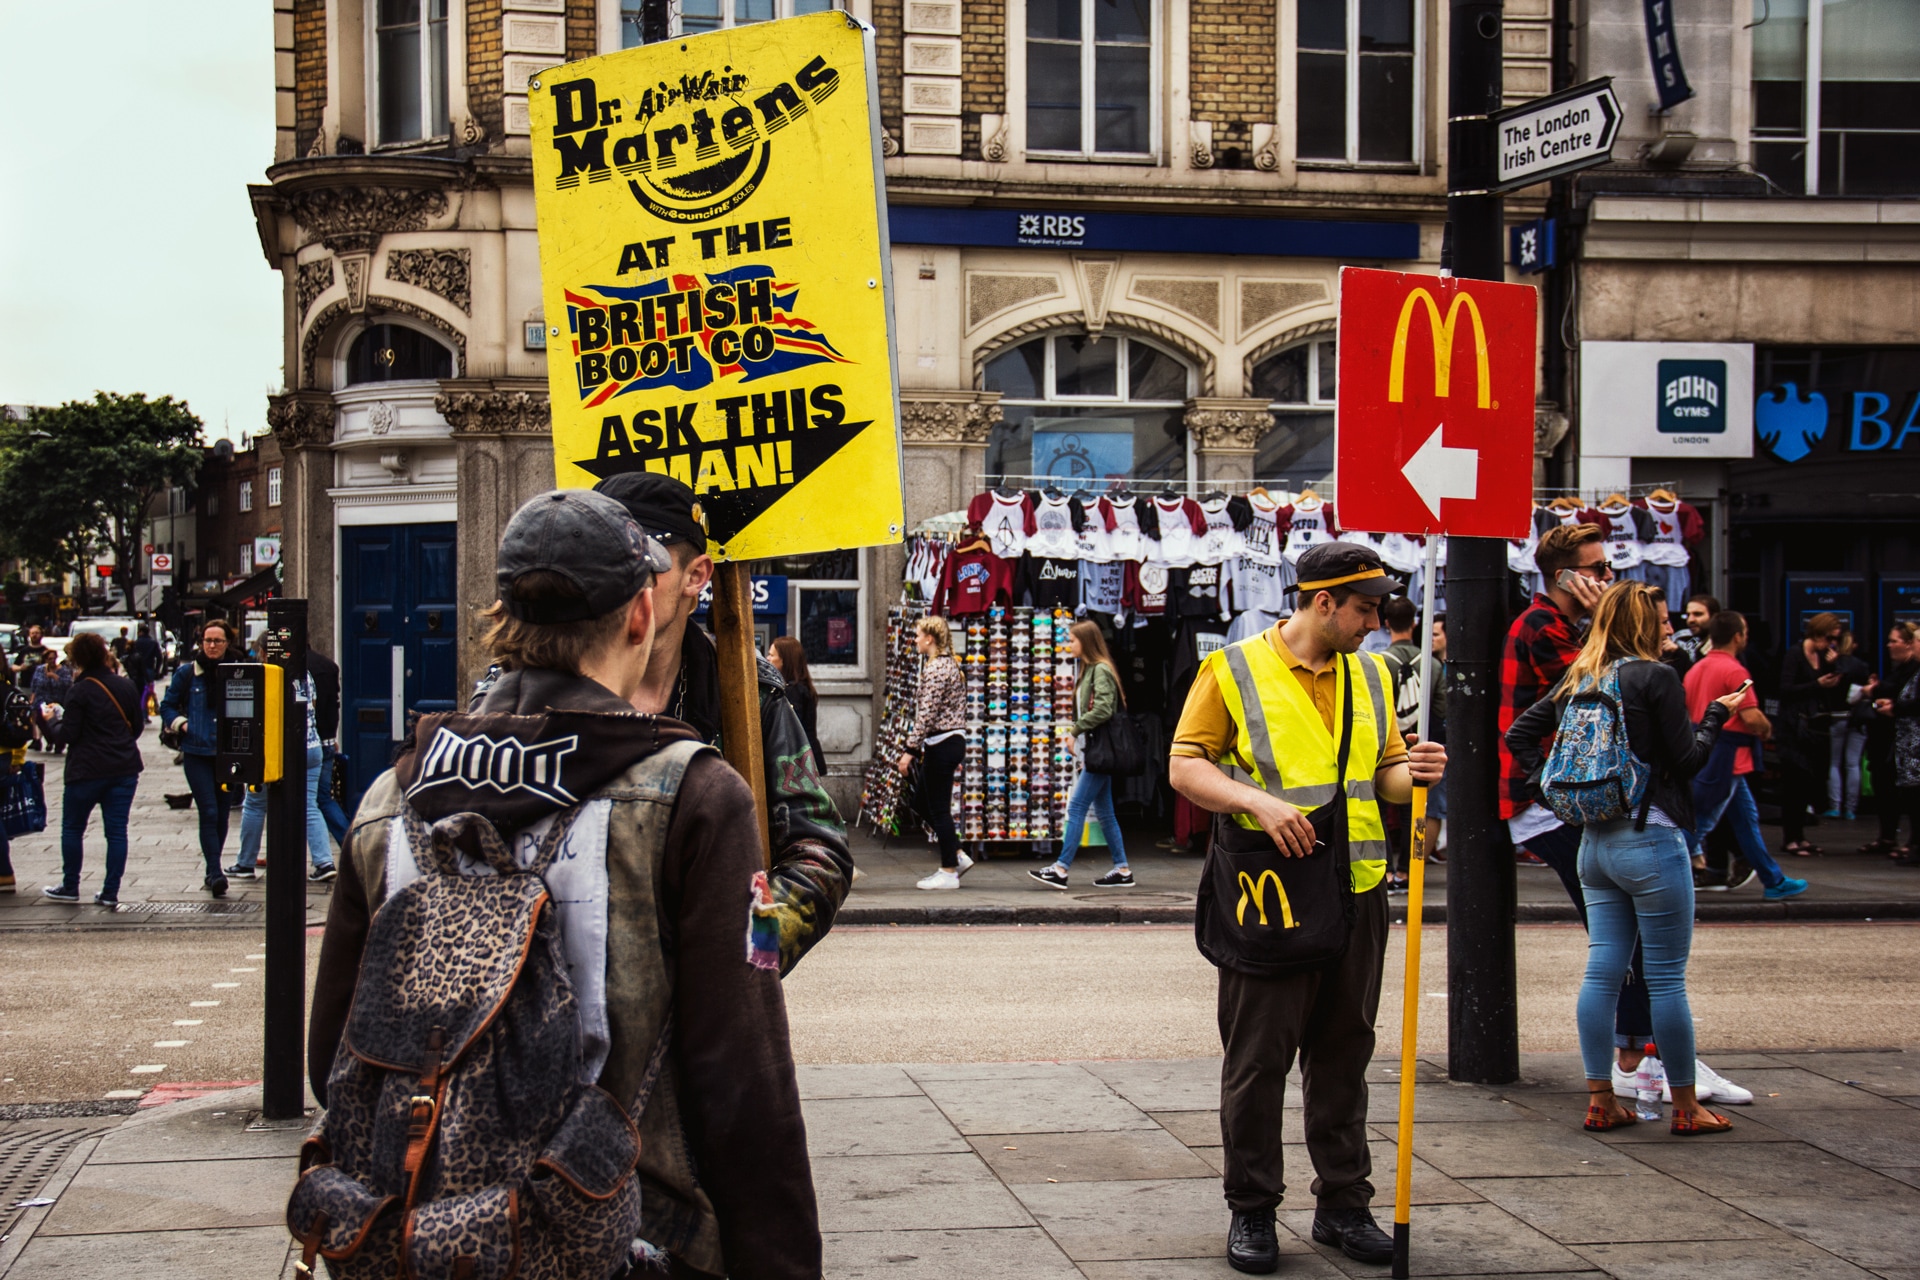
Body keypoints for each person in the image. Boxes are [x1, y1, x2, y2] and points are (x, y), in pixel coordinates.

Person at [309, 489, 822, 1278]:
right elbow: (743, 1090)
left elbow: (334, 1057)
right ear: (640, 614)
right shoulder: (693, 796)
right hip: (631, 1235)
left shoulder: (388, 799)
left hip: (428, 1239)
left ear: (502, 616)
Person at [1168, 542, 1446, 1273]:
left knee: (1345, 1055)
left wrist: (1413, 773)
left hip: (1358, 890)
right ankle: (1253, 1209)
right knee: (1258, 1061)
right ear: (1323, 602)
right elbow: (1185, 765)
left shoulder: (1373, 673)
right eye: (1365, 610)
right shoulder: (1231, 669)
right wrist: (1257, 802)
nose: (1376, 623)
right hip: (1271, 893)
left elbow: (1384, 774)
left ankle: (1344, 1205)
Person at [1506, 582, 1744, 1136]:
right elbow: (1688, 760)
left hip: (1594, 843)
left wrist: (1547, 789)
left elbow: (1520, 733)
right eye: (1661, 621)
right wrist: (1716, 715)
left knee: (1603, 971)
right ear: (1642, 625)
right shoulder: (1655, 676)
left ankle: (1601, 1100)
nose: (1669, 629)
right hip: (1650, 839)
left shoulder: (1581, 675)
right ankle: (1687, 1107)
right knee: (1666, 980)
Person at [591, 473, 850, 971]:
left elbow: (820, 855)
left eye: (641, 563)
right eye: (599, 561)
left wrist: (743, 956)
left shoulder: (752, 695)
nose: (615, 581)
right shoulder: (531, 686)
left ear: (696, 577)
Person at [1680, 611, 1805, 904]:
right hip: (1729, 756)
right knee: (1703, 821)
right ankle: (1654, 874)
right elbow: (1750, 716)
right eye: (1745, 631)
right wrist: (1766, 729)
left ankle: (1774, 879)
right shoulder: (1735, 672)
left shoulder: (1696, 669)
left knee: (1745, 819)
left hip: (1704, 749)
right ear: (1737, 636)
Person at [38, 633, 144, 908]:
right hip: (123, 768)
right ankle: (110, 891)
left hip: (85, 770)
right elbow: (137, 727)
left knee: (73, 828)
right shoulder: (125, 686)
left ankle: (70, 886)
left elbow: (68, 735)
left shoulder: (80, 690)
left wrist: (51, 720)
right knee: (117, 832)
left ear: (77, 659)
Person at [1030, 619, 1132, 889]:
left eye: (1072, 640)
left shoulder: (1100, 669)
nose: (1068, 645)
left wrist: (1075, 732)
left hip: (1100, 752)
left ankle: (1061, 869)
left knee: (1076, 807)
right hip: (1095, 751)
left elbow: (1104, 709)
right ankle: (1122, 869)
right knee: (1105, 812)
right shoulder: (1089, 670)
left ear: (1085, 642)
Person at [224, 665, 337, 884]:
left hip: (274, 750)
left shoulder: (265, 673)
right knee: (308, 805)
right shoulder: (304, 674)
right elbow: (311, 706)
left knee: (255, 804)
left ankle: (246, 863)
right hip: (310, 747)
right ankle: (324, 862)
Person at [159, 620, 239, 898]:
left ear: (227, 643)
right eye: (208, 640)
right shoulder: (187, 673)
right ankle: (215, 871)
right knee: (209, 810)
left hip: (228, 753)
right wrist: (182, 724)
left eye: (218, 641)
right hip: (197, 752)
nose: (212, 646)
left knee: (222, 812)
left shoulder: (238, 671)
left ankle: (212, 867)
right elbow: (167, 705)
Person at [897, 615, 970, 890]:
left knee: (939, 809)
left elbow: (926, 715)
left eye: (918, 635)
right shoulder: (947, 664)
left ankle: (949, 871)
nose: (915, 640)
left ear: (930, 639)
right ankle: (957, 853)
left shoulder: (937, 668)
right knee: (921, 802)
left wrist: (909, 750)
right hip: (945, 742)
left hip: (942, 743)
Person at [1379, 594, 1424, 892]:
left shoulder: (1379, 663)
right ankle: (1407, 871)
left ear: (1386, 624)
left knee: (1380, 808)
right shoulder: (1430, 663)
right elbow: (1442, 706)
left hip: (1385, 744)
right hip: (1420, 744)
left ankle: (1385, 870)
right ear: (1414, 623)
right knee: (1413, 808)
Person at [1873, 623, 1920, 862]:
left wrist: (1896, 707)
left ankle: (1916, 845)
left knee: (1915, 793)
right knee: (1910, 791)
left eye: (1916, 642)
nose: (1914, 646)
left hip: (1914, 741)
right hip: (1907, 740)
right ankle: (1913, 844)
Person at [1823, 629, 1874, 821]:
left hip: (1837, 716)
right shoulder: (1862, 666)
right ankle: (1851, 808)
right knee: (1853, 764)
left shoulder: (1834, 665)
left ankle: (1834, 806)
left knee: (1834, 763)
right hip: (1858, 718)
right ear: (1854, 645)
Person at [306, 646, 350, 844]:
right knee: (323, 798)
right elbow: (333, 705)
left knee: (308, 803)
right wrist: (332, 737)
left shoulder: (295, 669)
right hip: (326, 741)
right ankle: (349, 844)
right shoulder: (328, 665)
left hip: (308, 742)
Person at [769, 635, 825, 774]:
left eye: (771, 655)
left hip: (798, 762)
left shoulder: (793, 692)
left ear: (784, 660)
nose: (767, 659)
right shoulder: (801, 687)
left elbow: (789, 729)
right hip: (805, 757)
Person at [29, 647, 72, 755]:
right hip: (42, 699)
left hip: (58, 700)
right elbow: (35, 684)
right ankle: (50, 739)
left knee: (57, 722)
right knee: (40, 719)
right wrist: (33, 697)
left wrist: (55, 677)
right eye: (49, 659)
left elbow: (68, 684)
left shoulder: (63, 670)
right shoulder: (40, 669)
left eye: (53, 658)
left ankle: (59, 743)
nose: (52, 661)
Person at [1675, 593, 1721, 666]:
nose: (1690, 620)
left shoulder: (1723, 648)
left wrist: (1680, 654)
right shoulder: (1701, 646)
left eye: (1697, 614)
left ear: (1714, 617)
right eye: (1688, 615)